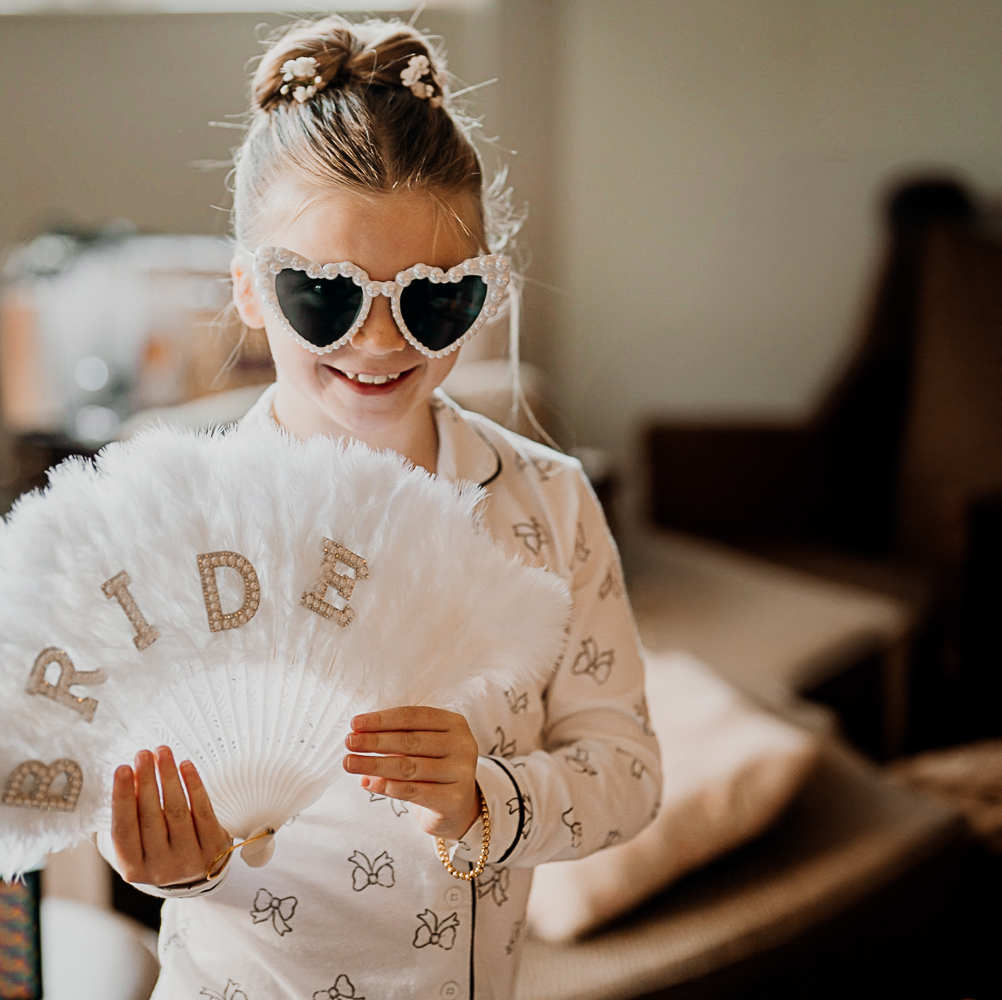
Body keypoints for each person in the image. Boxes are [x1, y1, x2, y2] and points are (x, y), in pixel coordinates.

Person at [98, 17, 661, 999]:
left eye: (433, 299)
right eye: (325, 295)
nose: (378, 340)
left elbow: (629, 773)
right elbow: (130, 789)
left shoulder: (552, 506)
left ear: (485, 295)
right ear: (248, 289)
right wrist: (160, 859)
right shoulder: (182, 521)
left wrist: (487, 796)